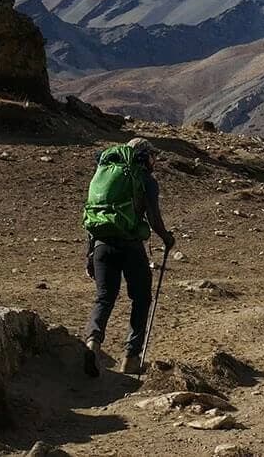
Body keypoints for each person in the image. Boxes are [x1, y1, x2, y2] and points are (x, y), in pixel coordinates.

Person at [83, 137, 174, 377]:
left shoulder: (103, 175)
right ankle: (131, 358)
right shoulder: (145, 180)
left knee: (104, 297)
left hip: (101, 245)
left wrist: (90, 254)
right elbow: (154, 218)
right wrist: (167, 238)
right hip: (130, 246)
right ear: (145, 157)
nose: (155, 161)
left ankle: (92, 344)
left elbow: (92, 216)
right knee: (141, 298)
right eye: (153, 156)